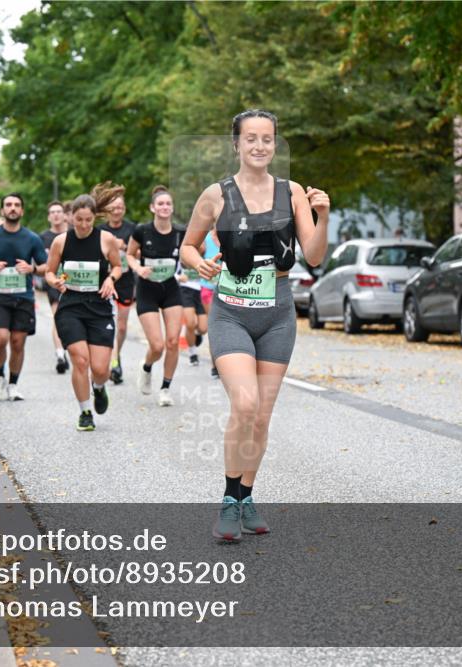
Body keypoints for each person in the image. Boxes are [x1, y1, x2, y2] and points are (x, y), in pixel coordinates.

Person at [180, 109, 329, 540]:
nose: (260, 146)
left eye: (267, 139)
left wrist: (324, 216)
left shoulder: (293, 192)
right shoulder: (216, 194)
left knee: (261, 417)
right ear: (237, 144)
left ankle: (247, 496)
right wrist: (200, 263)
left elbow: (315, 256)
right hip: (231, 310)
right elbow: (187, 246)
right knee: (244, 405)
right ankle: (228, 501)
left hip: (278, 312)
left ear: (275, 144)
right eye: (251, 139)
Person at [45, 183, 123, 431]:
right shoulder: (61, 241)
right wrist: (55, 281)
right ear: (70, 218)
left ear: (94, 217)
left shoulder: (106, 239)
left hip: (99, 307)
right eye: (78, 220)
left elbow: (118, 267)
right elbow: (48, 271)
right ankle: (85, 411)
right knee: (80, 360)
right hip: (71, 306)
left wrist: (111, 279)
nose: (83, 225)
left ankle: (98, 388)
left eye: (88, 220)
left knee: (100, 370)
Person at [0, 194, 49, 401]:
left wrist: (31, 268)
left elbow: (45, 266)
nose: (12, 208)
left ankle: (13, 384)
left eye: (16, 205)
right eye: (8, 205)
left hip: (23, 297)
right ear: (2, 211)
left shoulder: (32, 238)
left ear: (22, 211)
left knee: (17, 342)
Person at [127, 186, 186, 407]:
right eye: (160, 203)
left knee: (172, 341)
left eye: (168, 204)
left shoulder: (180, 232)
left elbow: (192, 251)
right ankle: (147, 366)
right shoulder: (142, 231)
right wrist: (137, 268)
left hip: (170, 288)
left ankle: (165, 388)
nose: (164, 207)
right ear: (153, 207)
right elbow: (130, 255)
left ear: (172, 208)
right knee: (158, 345)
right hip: (147, 290)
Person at [97, 192, 137, 384]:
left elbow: (139, 253)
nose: (116, 211)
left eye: (120, 207)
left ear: (124, 209)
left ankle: (116, 354)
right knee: (107, 323)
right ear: (107, 210)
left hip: (126, 281)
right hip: (105, 281)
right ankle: (112, 361)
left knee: (121, 326)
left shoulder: (132, 228)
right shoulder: (100, 231)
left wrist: (126, 247)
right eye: (113, 207)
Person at [40, 200, 70, 373]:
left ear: (65, 215)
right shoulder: (42, 238)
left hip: (74, 283)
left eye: (59, 211)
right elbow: (39, 263)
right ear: (49, 217)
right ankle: (60, 354)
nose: (56, 214)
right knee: (58, 316)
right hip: (53, 282)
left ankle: (70, 349)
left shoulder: (73, 235)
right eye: (53, 212)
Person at [201, 230, 222, 378]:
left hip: (230, 288)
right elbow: (188, 254)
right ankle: (215, 364)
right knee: (214, 325)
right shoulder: (205, 238)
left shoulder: (234, 233)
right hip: (208, 288)